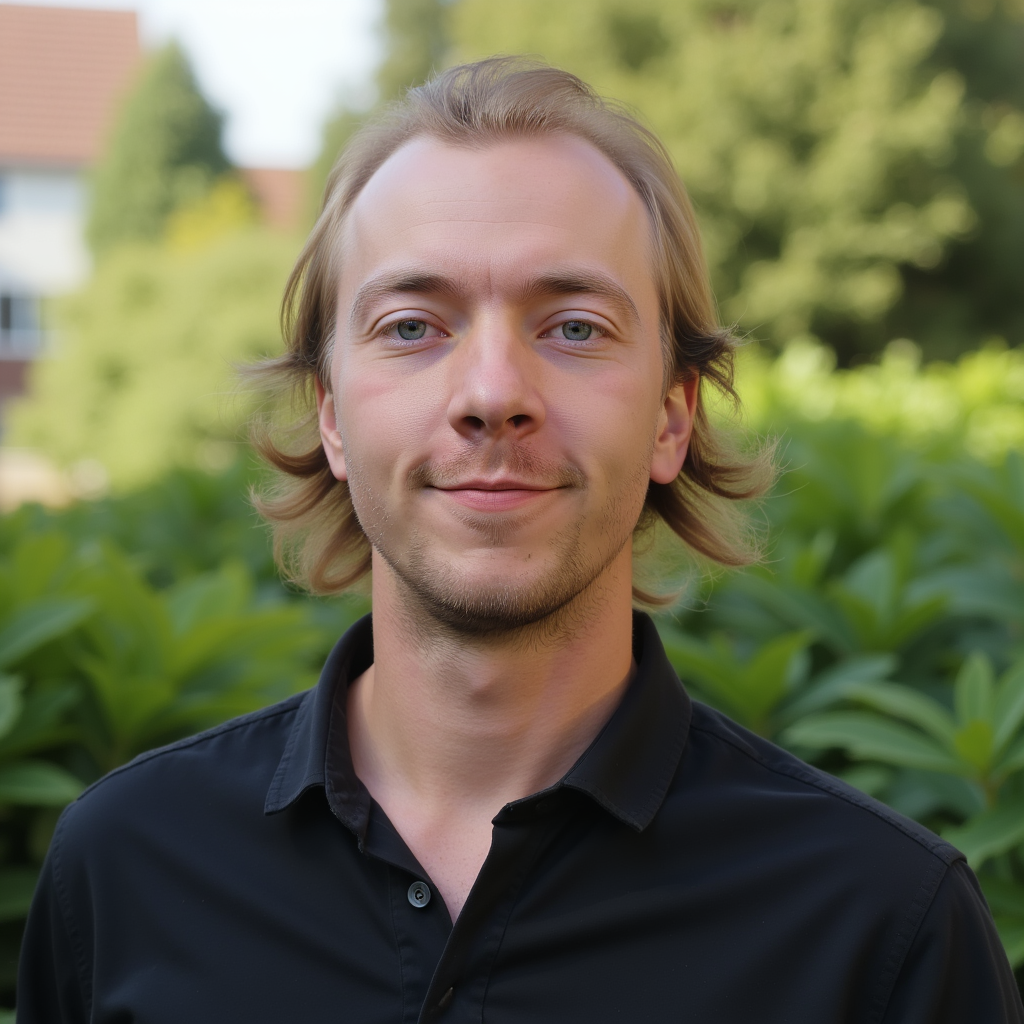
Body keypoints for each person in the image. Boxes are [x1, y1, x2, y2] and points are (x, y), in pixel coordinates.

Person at [18, 58, 1023, 1023]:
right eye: (412, 326)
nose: (493, 394)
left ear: (672, 416)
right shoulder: (125, 869)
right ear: (330, 415)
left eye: (574, 327)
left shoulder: (882, 926)